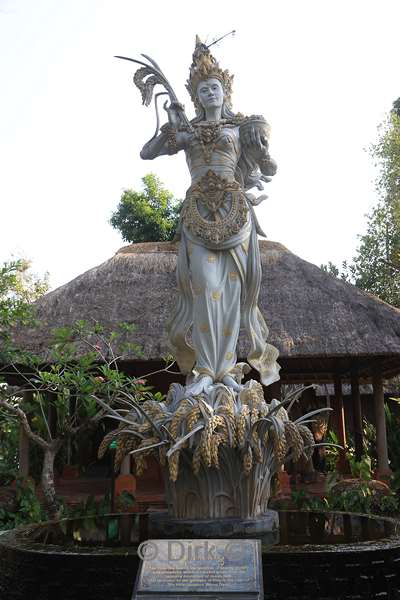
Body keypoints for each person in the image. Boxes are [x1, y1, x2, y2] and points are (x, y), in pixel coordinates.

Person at [140, 37, 280, 395]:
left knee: (232, 293)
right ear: (196, 97)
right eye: (203, 90)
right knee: (205, 288)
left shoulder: (242, 127)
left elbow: (271, 168)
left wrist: (263, 152)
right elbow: (147, 153)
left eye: (215, 88)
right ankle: (205, 369)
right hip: (198, 214)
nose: (210, 94)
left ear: (225, 91)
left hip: (236, 213)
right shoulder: (188, 132)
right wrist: (168, 126)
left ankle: (228, 369)